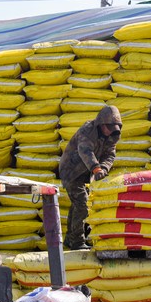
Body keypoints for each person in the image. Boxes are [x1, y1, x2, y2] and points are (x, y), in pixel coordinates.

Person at [58, 105, 123, 250]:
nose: (110, 131)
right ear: (101, 123)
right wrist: (96, 168)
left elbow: (110, 155)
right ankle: (77, 241)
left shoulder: (112, 136)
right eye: (108, 127)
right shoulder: (87, 130)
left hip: (85, 173)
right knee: (82, 204)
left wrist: (104, 168)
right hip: (71, 171)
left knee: (77, 205)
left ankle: (70, 239)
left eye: (114, 128)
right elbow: (85, 150)